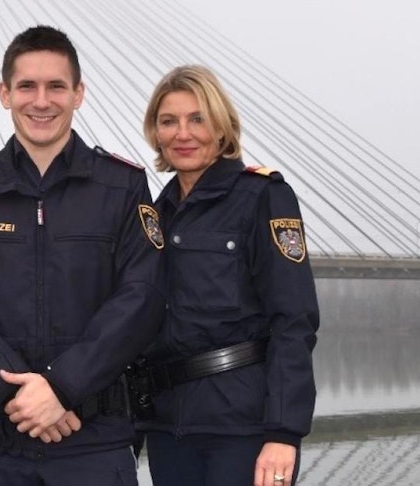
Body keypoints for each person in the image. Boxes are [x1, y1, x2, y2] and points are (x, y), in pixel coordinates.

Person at [0, 25, 166, 485]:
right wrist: (22, 395)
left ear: (78, 93)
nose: (41, 101)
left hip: (94, 442)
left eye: (56, 86)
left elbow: (143, 298)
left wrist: (62, 387)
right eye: (26, 86)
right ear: (5, 94)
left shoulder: (122, 188)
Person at [136, 65, 319, 486]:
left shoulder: (263, 197)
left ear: (221, 128)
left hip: (244, 429)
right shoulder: (152, 215)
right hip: (169, 428)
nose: (183, 133)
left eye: (198, 119)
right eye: (169, 121)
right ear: (156, 133)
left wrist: (283, 432)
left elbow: (294, 320)